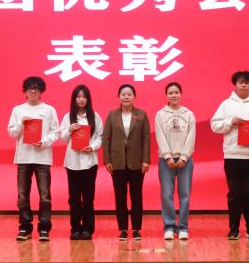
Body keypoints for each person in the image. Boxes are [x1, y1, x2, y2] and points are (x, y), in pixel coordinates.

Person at [210, 71, 249, 241]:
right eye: (240, 82)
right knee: (234, 194)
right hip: (232, 155)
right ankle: (234, 229)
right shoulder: (226, 104)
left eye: (246, 82)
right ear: (235, 85)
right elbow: (214, 125)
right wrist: (229, 122)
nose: (243, 85)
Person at [7, 76, 60, 242]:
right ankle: (25, 227)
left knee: (45, 195)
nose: (33, 91)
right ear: (25, 91)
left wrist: (44, 142)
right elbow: (12, 132)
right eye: (30, 88)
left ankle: (44, 228)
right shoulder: (18, 110)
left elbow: (55, 132)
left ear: (41, 91)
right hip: (23, 158)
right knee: (23, 195)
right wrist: (21, 124)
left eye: (36, 88)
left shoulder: (49, 110)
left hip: (42, 158)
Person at [102, 84, 151, 241]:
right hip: (117, 162)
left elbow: (146, 139)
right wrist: (107, 160)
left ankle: (136, 229)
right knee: (120, 197)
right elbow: (106, 138)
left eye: (129, 94)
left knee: (137, 197)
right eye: (123, 94)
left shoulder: (141, 115)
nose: (126, 97)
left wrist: (146, 160)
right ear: (119, 97)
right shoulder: (112, 115)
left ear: (134, 96)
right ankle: (123, 229)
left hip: (137, 162)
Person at [59, 85, 103, 240]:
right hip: (72, 163)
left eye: (84, 97)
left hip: (90, 162)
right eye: (78, 96)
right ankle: (75, 228)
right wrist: (69, 130)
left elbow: (100, 136)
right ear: (74, 99)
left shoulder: (95, 116)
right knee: (74, 198)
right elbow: (62, 139)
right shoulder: (68, 117)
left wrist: (92, 147)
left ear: (88, 99)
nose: (81, 99)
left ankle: (88, 229)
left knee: (88, 198)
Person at [154, 81, 196, 241]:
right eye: (170, 93)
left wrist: (184, 157)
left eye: (176, 92)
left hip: (185, 160)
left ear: (181, 94)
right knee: (166, 195)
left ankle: (183, 227)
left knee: (185, 195)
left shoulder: (189, 114)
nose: (174, 95)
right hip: (166, 160)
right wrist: (167, 156)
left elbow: (191, 137)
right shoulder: (160, 114)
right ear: (166, 96)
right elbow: (160, 136)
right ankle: (169, 227)